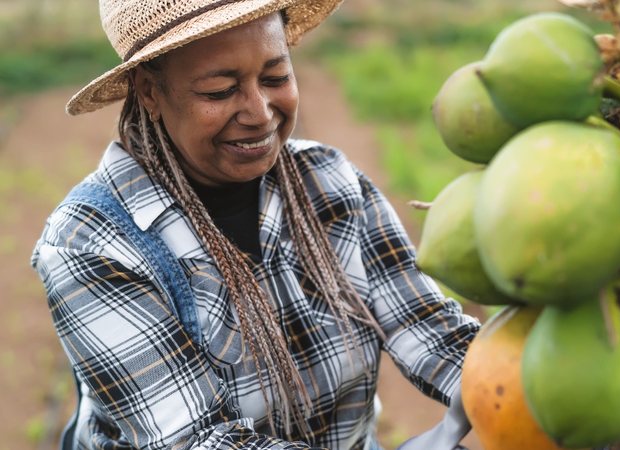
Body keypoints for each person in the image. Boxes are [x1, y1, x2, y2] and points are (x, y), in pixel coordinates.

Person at [30, 0, 479, 449]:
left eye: (275, 77)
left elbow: (425, 325)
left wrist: (515, 386)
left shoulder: (327, 181)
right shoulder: (91, 243)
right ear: (149, 91)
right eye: (220, 90)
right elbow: (200, 440)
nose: (260, 112)